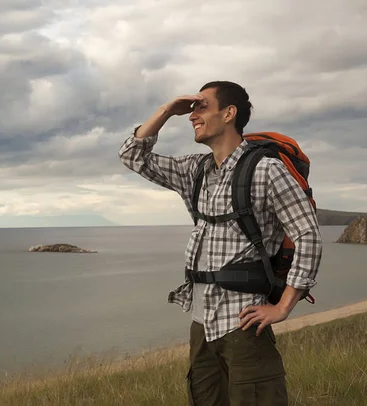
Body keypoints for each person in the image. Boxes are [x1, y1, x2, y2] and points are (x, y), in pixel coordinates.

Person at [118, 81, 322, 406]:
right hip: (200, 324)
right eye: (192, 109)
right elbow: (132, 155)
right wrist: (167, 110)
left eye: (202, 107)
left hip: (243, 323)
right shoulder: (195, 170)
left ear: (229, 114)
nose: (192, 116)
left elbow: (308, 235)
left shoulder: (266, 170)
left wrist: (283, 306)